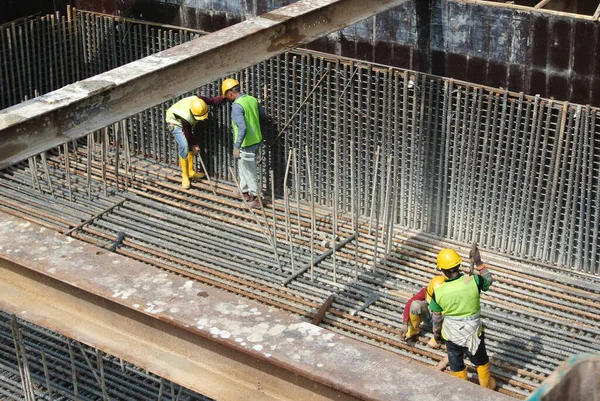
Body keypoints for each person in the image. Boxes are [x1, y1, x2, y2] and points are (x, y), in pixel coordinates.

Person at [428, 246, 496, 390]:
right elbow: (489, 280)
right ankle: (487, 387)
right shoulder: (475, 281)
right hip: (473, 333)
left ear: (442, 270)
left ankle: (462, 391)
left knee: (456, 363)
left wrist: (436, 336)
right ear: (458, 265)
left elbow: (437, 319)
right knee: (481, 361)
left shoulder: (438, 292)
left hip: (452, 336)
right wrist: (478, 262)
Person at [199, 78, 265, 209]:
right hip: (257, 139)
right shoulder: (252, 99)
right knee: (243, 168)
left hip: (246, 143)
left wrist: (237, 146)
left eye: (227, 96)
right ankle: (244, 192)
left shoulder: (236, 106)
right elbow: (262, 115)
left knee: (249, 171)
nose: (227, 99)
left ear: (230, 93)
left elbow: (242, 127)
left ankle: (258, 199)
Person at [165, 96, 208, 189]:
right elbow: (187, 133)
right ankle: (185, 175)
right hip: (173, 122)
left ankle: (191, 172)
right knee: (184, 145)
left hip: (184, 124)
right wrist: (195, 145)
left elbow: (211, 100)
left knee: (189, 144)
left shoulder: (199, 102)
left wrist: (223, 97)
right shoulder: (186, 117)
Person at [403, 275, 446, 348]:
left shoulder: (451, 296)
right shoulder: (427, 290)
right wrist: (404, 323)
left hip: (442, 323)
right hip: (431, 318)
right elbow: (410, 302)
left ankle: (439, 336)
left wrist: (437, 337)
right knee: (415, 304)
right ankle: (414, 330)